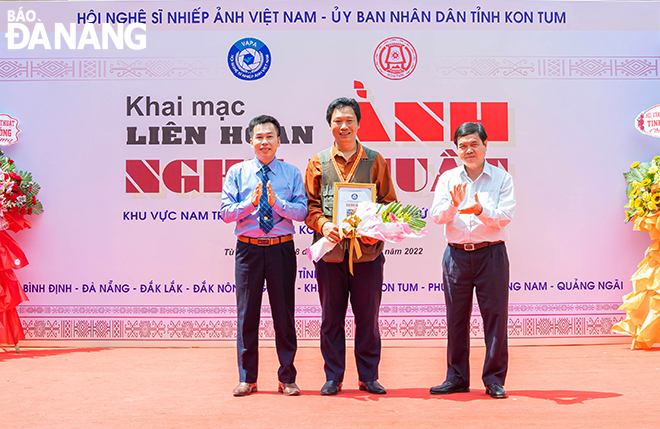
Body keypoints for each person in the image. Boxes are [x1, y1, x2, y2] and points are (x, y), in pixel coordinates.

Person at [304, 97, 397, 395]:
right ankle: (334, 376)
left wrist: (376, 229)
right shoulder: (318, 162)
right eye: (337, 121)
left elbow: (389, 204)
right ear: (330, 125)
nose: (343, 126)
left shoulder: (375, 160)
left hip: (367, 255)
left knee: (367, 318)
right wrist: (323, 225)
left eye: (349, 121)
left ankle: (368, 376)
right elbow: (310, 206)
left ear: (358, 123)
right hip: (330, 255)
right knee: (331, 318)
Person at [219, 115, 308, 397]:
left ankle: (287, 377)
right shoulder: (236, 172)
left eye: (270, 136)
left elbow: (303, 212)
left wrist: (276, 203)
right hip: (248, 249)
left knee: (284, 314)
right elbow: (225, 213)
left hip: (281, 247)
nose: (264, 142)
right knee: (247, 315)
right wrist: (251, 203)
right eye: (259, 137)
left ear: (279, 141)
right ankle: (247, 378)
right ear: (250, 141)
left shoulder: (292, 173)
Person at [429, 122, 516, 399]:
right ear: (456, 150)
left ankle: (493, 379)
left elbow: (504, 217)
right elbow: (437, 216)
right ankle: (456, 377)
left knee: (495, 318)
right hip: (455, 255)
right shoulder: (447, 179)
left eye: (473, 144)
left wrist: (480, 209)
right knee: (456, 319)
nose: (468, 150)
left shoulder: (502, 178)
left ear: (485, 145)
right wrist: (454, 206)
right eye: (462, 146)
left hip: (491, 254)